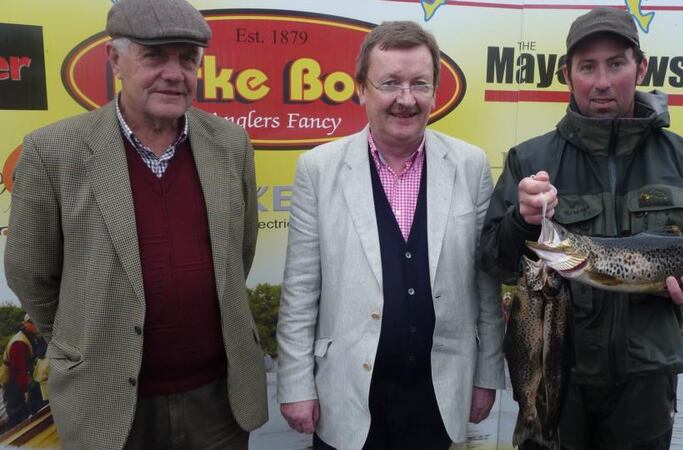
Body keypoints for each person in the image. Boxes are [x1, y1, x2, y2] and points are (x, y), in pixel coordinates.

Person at [4, 0, 267, 448]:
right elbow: (32, 275)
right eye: (154, 55)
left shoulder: (230, 144)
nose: (173, 72)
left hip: (218, 404)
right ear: (115, 60)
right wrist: (87, 340)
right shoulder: (54, 151)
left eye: (187, 58)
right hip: (106, 406)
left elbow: (237, 254)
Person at [478, 7, 683, 449]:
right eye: (587, 66)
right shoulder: (528, 160)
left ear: (641, 67)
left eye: (616, 63)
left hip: (647, 382)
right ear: (567, 74)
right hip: (554, 372)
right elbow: (494, 263)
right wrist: (521, 220)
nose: (601, 81)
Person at [277, 21, 505, 450]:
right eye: (390, 83)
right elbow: (301, 290)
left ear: (436, 91)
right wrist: (294, 385)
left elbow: (485, 283)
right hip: (347, 393)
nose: (406, 98)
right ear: (361, 89)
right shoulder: (319, 168)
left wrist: (487, 376)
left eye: (420, 83)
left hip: (440, 391)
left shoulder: (471, 165)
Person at [1, 315, 39, 428]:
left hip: (17, 381)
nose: (35, 324)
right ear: (25, 323)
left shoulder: (29, 336)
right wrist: (24, 390)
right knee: (17, 414)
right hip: (13, 383)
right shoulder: (19, 343)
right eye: (31, 322)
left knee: (21, 411)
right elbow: (18, 370)